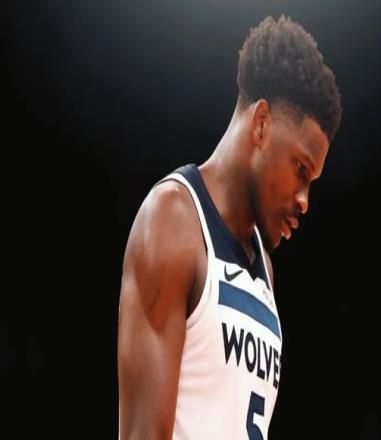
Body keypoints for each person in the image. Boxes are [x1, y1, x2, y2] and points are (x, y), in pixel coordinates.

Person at [117, 15, 342, 439]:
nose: (304, 200)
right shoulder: (173, 221)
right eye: (301, 169)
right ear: (261, 124)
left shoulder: (265, 270)